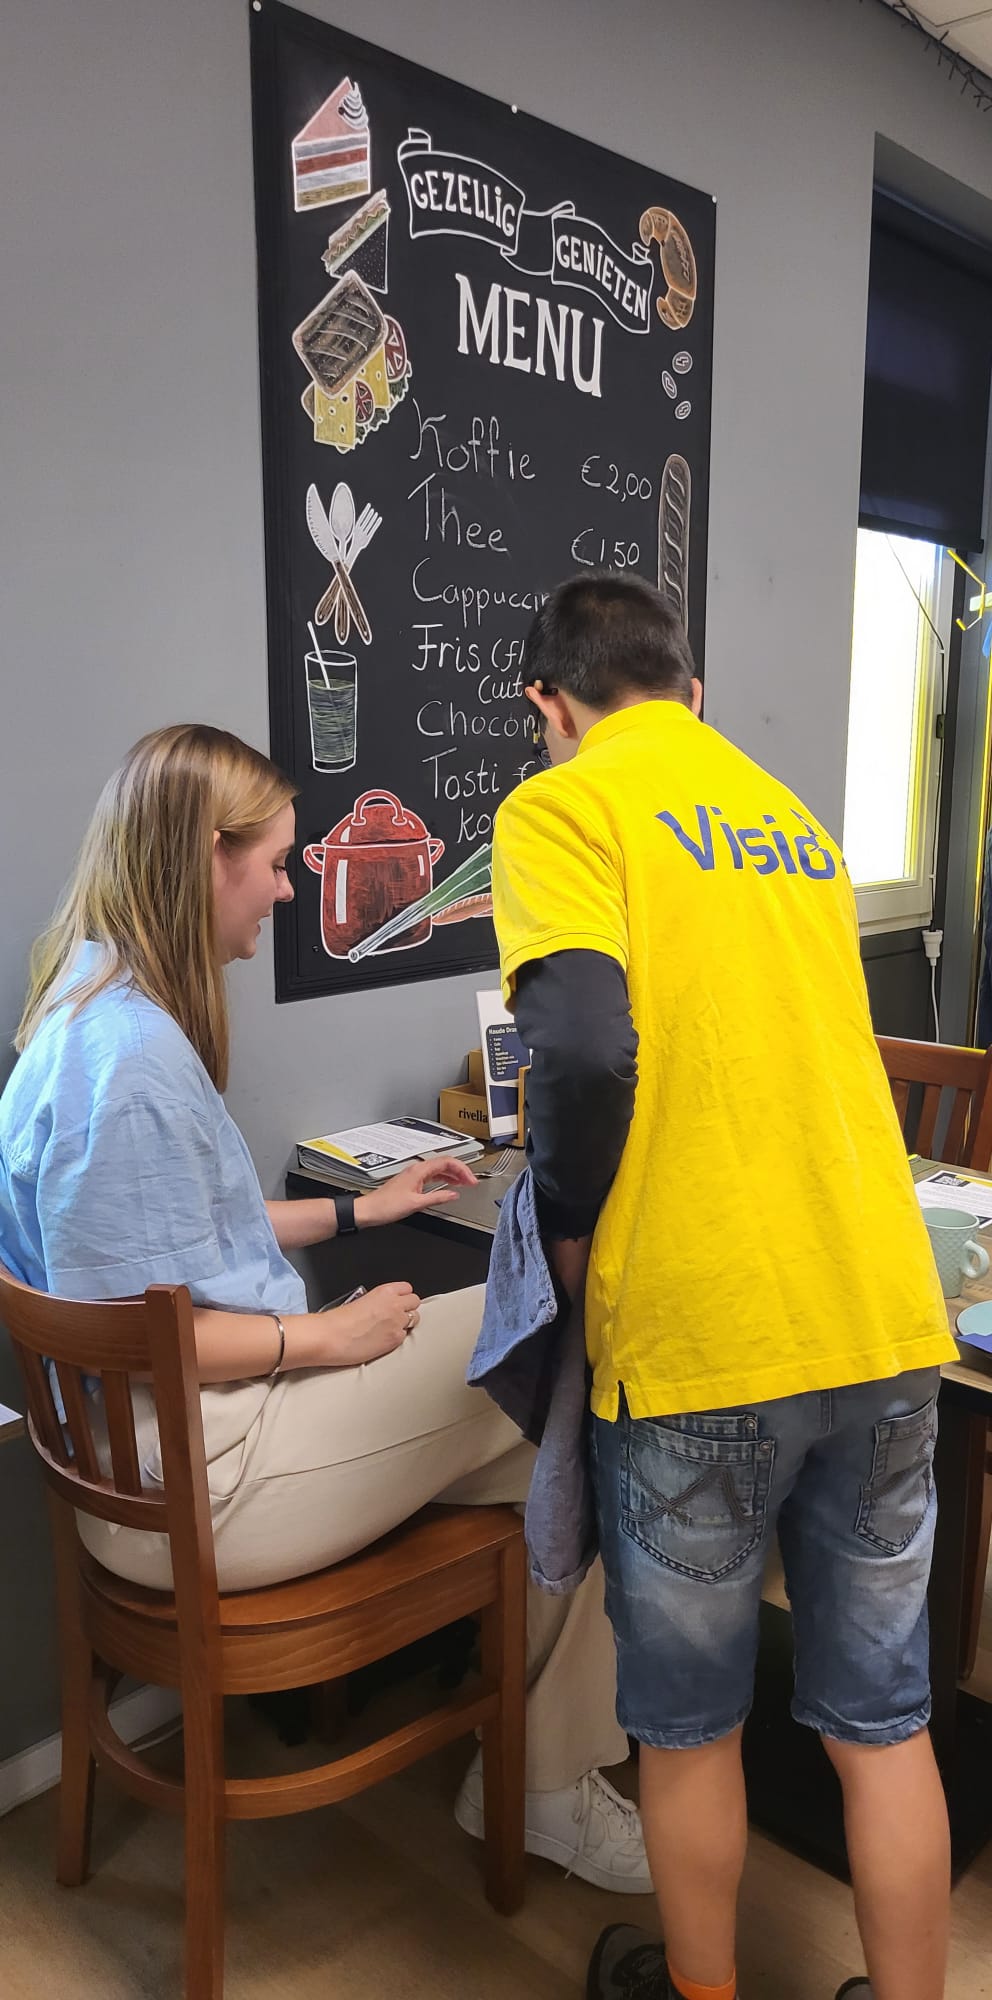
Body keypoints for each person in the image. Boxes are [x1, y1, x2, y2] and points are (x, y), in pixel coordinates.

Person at [0, 721, 651, 1894]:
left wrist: (358, 1210)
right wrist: (321, 1334)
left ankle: (538, 1763)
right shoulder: (133, 1061)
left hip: (135, 1471)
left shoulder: (79, 1008)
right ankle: (549, 1785)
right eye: (274, 861)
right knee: (560, 1338)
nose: (289, 887)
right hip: (202, 1479)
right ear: (205, 855)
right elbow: (147, 1330)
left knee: (544, 1440)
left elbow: (172, 1241)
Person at [490, 575, 957, 2000]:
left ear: (548, 705)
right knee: (883, 1719)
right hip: (880, 1310)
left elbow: (578, 1047)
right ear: (690, 693)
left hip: (703, 1327)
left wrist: (566, 1227)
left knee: (688, 1729)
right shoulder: (792, 823)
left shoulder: (562, 807)